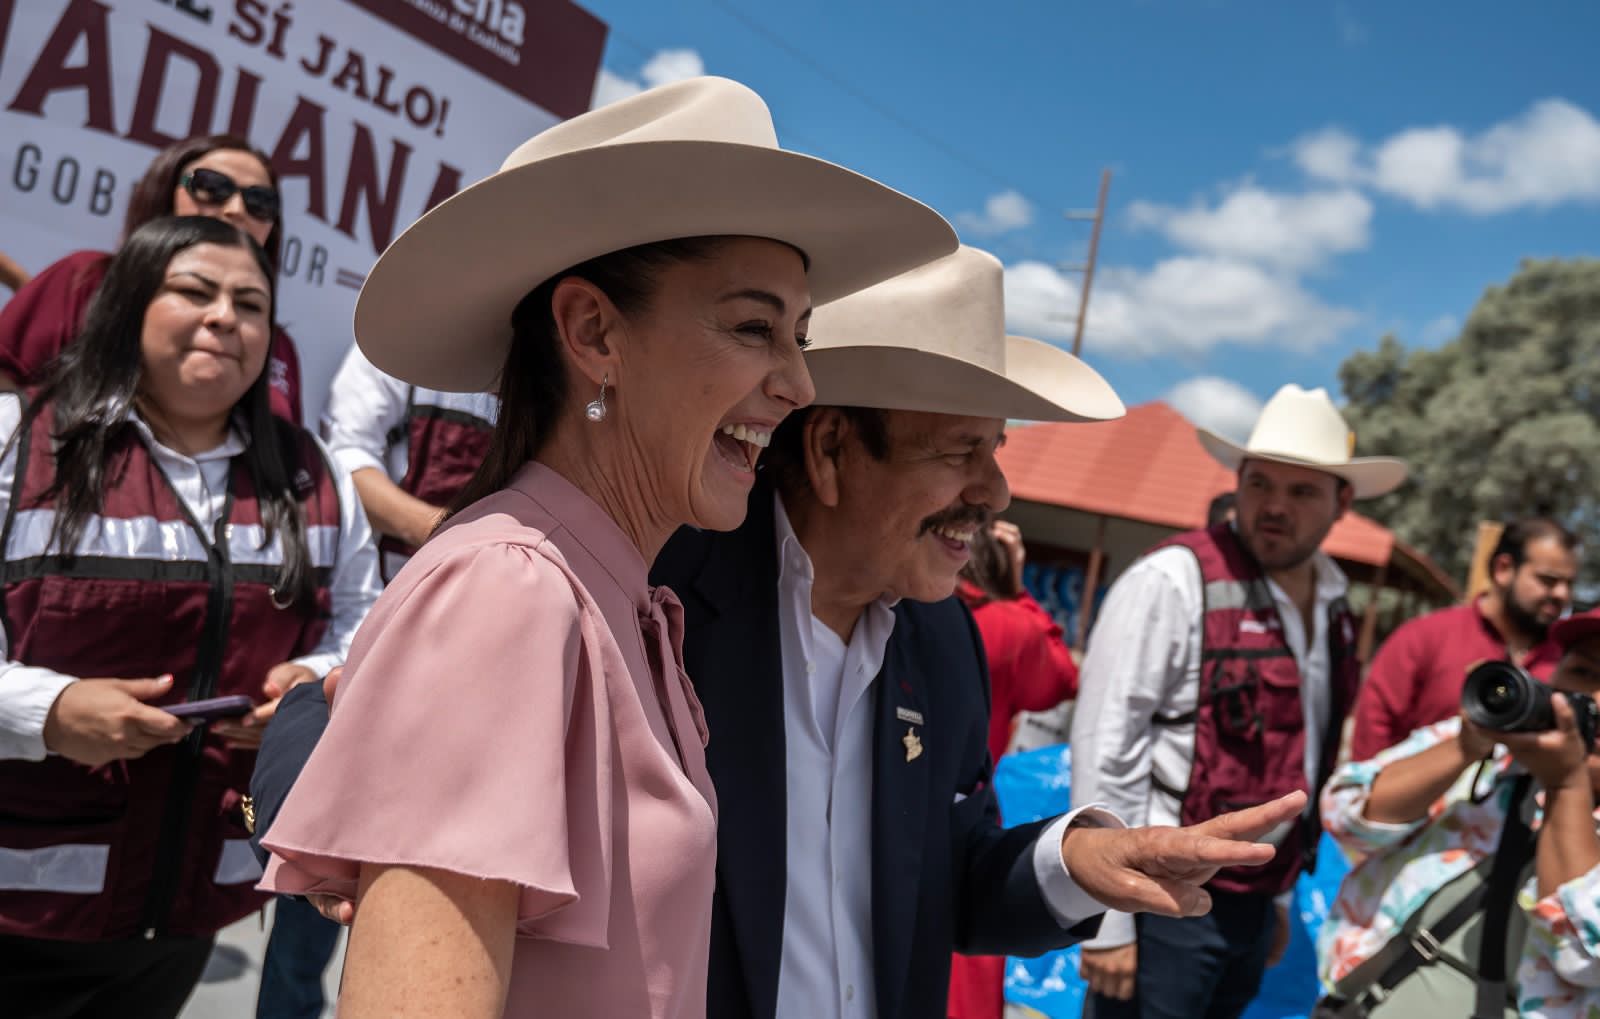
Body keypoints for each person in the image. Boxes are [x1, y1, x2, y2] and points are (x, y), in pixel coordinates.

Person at [252, 244, 1309, 1019]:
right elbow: (378, 719)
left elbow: (937, 875)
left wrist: (1080, 859)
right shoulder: (632, 582)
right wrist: (382, 845)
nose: (994, 493)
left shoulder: (940, 643)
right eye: (962, 451)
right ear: (834, 449)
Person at [256, 76, 961, 1018]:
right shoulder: (512, 591)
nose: (798, 382)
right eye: (756, 328)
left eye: (798, 336)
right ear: (593, 332)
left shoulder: (617, 599)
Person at [0, 216, 379, 1018]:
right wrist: (50, 711)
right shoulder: (17, 442)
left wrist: (310, 686)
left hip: (190, 909)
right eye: (194, 291)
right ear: (130, 304)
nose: (224, 317)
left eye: (250, 304)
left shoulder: (314, 475)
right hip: (20, 905)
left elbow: (362, 624)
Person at [1071, 383, 1409, 1019]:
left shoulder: (1333, 607)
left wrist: (1277, 899)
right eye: (1260, 484)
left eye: (1301, 491)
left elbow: (1301, 756)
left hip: (1254, 903)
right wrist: (1108, 919)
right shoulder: (1172, 579)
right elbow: (1106, 745)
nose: (1274, 506)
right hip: (1162, 896)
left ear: (1342, 503)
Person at [1316, 607, 1600, 1018]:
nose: (1595, 701)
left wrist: (1566, 785)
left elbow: (1583, 957)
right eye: (1584, 673)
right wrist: (1466, 747)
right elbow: (1346, 820)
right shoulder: (1496, 746)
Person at [0, 134, 304, 424]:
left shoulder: (278, 346)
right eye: (211, 187)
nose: (235, 210)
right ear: (165, 192)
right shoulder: (84, 278)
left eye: (260, 201)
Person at [948, 519, 1081, 1019]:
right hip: (963, 830)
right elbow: (1061, 678)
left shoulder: (903, 606)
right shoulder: (1005, 624)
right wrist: (1018, 586)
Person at [1350, 518, 1577, 761]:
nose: (1562, 594)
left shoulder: (1572, 661)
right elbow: (1372, 750)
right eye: (1548, 580)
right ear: (1503, 569)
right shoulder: (1424, 638)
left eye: (1569, 584)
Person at [322, 345, 499, 580]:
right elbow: (345, 462)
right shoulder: (391, 344)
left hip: (497, 575)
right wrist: (443, 531)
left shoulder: (531, 362)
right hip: (395, 580)